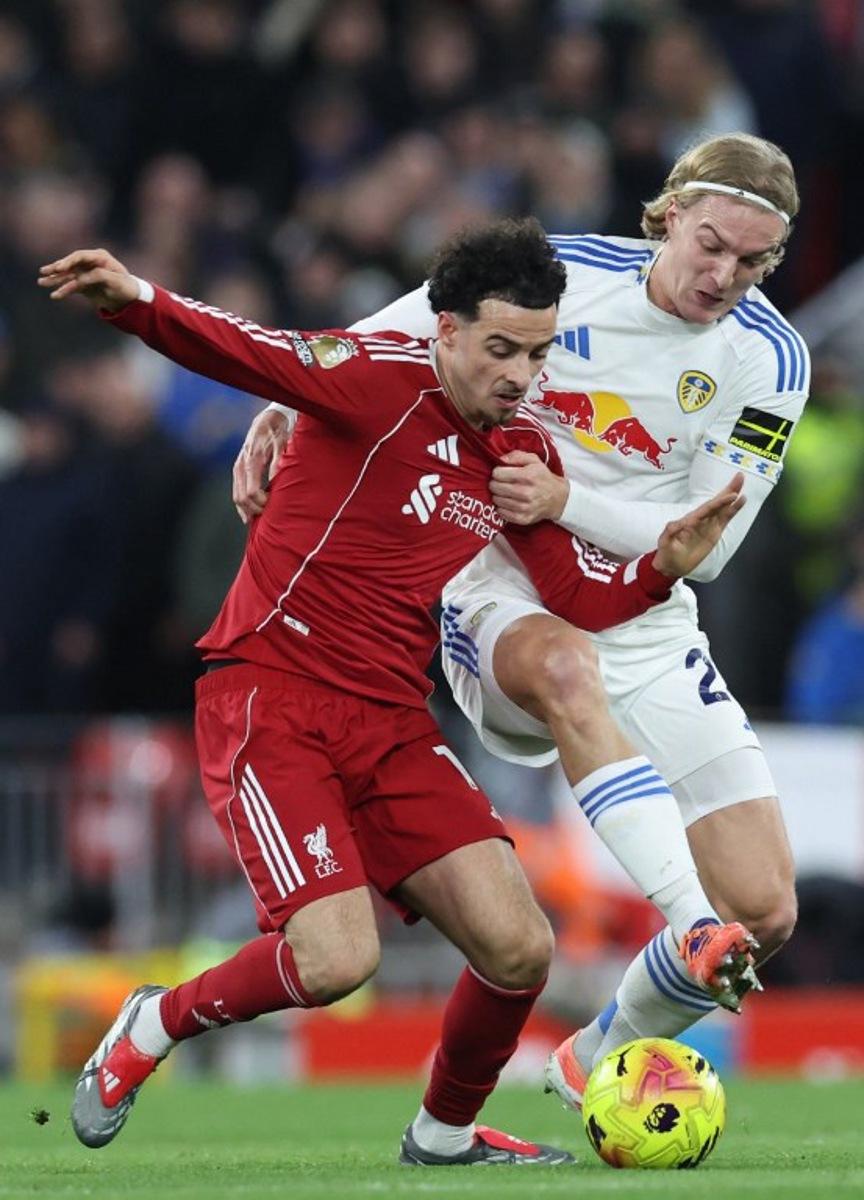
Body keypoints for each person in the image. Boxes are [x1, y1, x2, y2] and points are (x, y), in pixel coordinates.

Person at [40, 219, 747, 1165]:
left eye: (537, 354)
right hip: (272, 697)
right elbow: (251, 350)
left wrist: (663, 564)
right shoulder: (374, 375)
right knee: (338, 962)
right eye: (499, 349)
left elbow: (577, 594)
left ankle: (443, 1135)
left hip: (390, 723)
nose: (518, 375)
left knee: (519, 949)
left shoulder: (519, 447)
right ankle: (152, 1024)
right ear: (445, 330)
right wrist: (138, 303)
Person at [236, 132, 808, 1109]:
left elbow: (705, 546)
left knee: (762, 909)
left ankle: (600, 1049)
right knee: (568, 672)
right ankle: (682, 917)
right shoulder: (563, 277)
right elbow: (390, 337)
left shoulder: (769, 357)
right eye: (712, 244)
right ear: (669, 213)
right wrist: (282, 405)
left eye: (754, 260)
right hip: (496, 579)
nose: (727, 275)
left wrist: (564, 501)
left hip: (646, 615)